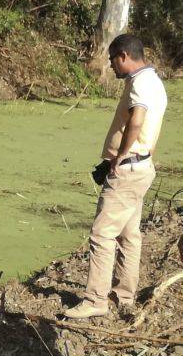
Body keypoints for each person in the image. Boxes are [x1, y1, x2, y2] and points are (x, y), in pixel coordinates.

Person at [65, 34, 167, 319]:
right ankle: (124, 295)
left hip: (128, 170)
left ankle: (95, 300)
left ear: (123, 56)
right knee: (129, 234)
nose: (111, 67)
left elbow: (137, 119)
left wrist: (120, 155)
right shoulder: (156, 82)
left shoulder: (140, 83)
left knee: (101, 234)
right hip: (142, 167)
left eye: (111, 60)